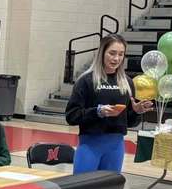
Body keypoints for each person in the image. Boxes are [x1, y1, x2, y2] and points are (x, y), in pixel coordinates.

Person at [65, 34, 153, 173]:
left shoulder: (127, 82)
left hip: (116, 146)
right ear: (102, 53)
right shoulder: (86, 80)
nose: (116, 58)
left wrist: (136, 112)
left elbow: (130, 122)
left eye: (120, 54)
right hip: (90, 145)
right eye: (112, 53)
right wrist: (98, 112)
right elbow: (71, 116)